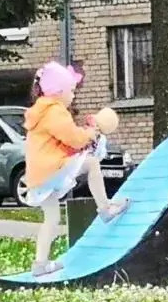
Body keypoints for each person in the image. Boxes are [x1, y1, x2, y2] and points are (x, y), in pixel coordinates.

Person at [23, 61, 131, 277]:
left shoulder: (41, 111)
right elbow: (74, 139)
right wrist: (90, 133)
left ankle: (40, 264)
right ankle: (105, 208)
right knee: (92, 163)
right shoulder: (54, 111)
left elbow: (62, 141)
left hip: (38, 176)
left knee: (51, 218)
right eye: (71, 91)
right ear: (59, 91)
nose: (73, 96)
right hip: (51, 169)